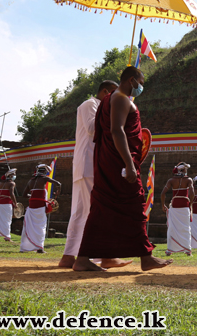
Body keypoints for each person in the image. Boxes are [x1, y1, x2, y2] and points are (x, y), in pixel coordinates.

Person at [73, 66, 172, 271]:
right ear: (132, 80)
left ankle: (84, 258)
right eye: (141, 83)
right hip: (118, 165)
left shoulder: (109, 100)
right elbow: (117, 131)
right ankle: (146, 257)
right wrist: (129, 164)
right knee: (135, 205)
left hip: (109, 163)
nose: (141, 87)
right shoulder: (119, 98)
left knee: (103, 210)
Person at [59, 80, 130, 269]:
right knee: (98, 209)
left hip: (89, 165)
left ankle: (68, 256)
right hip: (89, 164)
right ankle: (105, 256)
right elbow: (92, 129)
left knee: (82, 212)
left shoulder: (99, 107)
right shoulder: (90, 105)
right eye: (114, 94)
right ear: (105, 92)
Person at [20, 164, 60, 253]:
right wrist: (57, 193)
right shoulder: (44, 178)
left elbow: (24, 195)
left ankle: (24, 247)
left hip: (31, 208)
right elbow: (58, 184)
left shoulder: (30, 181)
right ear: (45, 171)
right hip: (40, 208)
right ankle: (39, 248)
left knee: (28, 227)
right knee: (40, 227)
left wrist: (33, 196)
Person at [161, 162, 195, 256]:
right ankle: (188, 250)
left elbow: (163, 193)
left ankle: (170, 250)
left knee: (172, 227)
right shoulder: (188, 180)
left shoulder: (171, 180)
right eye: (186, 169)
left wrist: (163, 205)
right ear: (183, 170)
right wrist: (190, 203)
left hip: (175, 205)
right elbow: (192, 193)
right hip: (184, 205)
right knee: (185, 227)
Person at [0, 168, 18, 242]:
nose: (15, 176)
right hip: (7, 205)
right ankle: (7, 237)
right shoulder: (12, 183)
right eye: (14, 174)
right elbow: (12, 194)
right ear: (11, 176)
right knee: (7, 220)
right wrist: (15, 203)